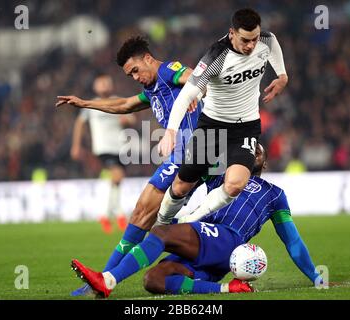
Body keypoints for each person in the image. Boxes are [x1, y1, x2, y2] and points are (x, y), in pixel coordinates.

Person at [71, 144, 323, 298]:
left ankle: (108, 280)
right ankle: (228, 290)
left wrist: (316, 276)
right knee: (153, 281)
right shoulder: (223, 177)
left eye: (259, 149)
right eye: (249, 146)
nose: (254, 148)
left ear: (264, 162)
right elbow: (200, 162)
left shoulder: (274, 194)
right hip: (210, 251)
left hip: (228, 239)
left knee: (161, 233)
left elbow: (293, 241)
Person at [56, 36, 203, 296]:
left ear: (147, 58)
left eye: (135, 70)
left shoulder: (168, 71)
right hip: (183, 153)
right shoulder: (152, 89)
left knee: (147, 214)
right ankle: (103, 281)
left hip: (192, 150)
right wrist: (85, 103)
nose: (134, 77)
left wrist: (194, 89)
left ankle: (104, 281)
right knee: (144, 215)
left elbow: (195, 76)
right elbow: (124, 104)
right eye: (129, 74)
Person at [156, 8, 289, 229]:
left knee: (235, 184)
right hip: (213, 126)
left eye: (254, 39)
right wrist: (170, 131)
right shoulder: (216, 56)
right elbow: (187, 94)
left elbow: (273, 42)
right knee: (181, 187)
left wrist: (282, 75)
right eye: (245, 40)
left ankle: (189, 220)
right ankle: (160, 224)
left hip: (246, 127)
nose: (251, 45)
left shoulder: (265, 40)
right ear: (232, 33)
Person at [70, 74, 135, 233]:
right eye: (101, 83)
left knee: (117, 181)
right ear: (95, 87)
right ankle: (117, 214)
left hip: (119, 147)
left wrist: (126, 119)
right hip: (103, 148)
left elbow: (132, 118)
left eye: (107, 82)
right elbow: (79, 123)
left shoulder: (118, 100)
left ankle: (108, 214)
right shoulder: (91, 104)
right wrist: (76, 145)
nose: (104, 85)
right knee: (117, 175)